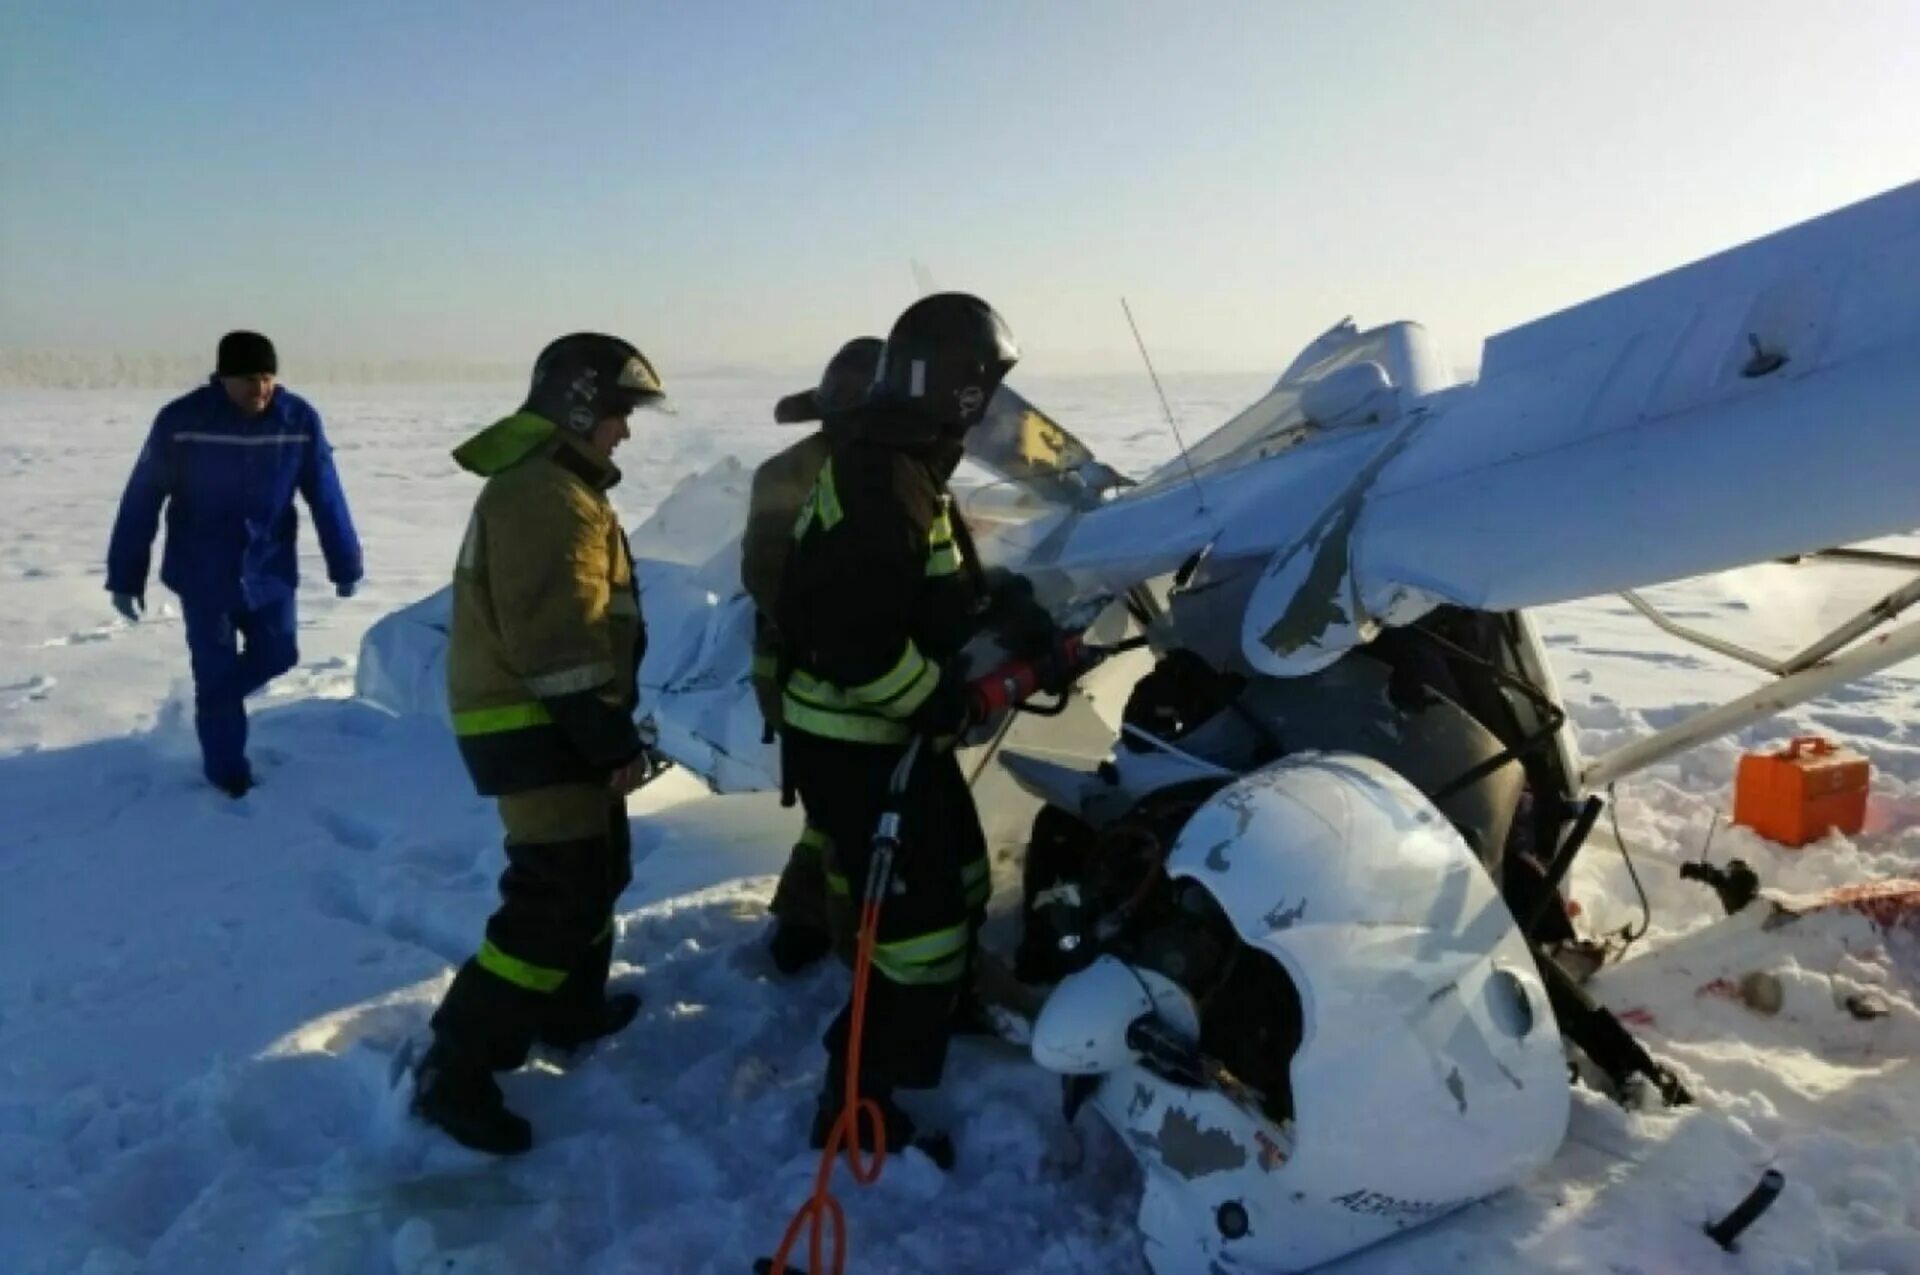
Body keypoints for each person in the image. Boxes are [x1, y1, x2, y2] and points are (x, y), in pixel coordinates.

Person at [412, 333, 666, 1155]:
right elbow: (559, 641)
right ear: (581, 407)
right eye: (619, 413)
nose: (624, 432)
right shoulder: (542, 495)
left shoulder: (564, 488)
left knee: (597, 873)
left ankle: (570, 1009)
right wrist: (604, 735)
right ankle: (455, 1067)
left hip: (563, 729)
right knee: (554, 900)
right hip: (539, 731)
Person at [776, 294, 1018, 1156]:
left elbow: (923, 586)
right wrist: (943, 701)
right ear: (946, 383)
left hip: (888, 736)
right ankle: (854, 1104)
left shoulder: (904, 464)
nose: (987, 402)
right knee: (915, 933)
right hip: (858, 741)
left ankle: (940, 1010)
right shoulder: (884, 478)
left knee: (953, 871)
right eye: (980, 382)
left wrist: (1003, 606)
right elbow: (859, 647)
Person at [105, 331, 362, 797]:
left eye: (267, 377)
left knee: (279, 655)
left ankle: (214, 703)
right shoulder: (182, 421)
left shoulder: (297, 420)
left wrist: (345, 562)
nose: (259, 389)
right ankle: (229, 777)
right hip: (203, 574)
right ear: (222, 378)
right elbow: (142, 498)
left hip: (270, 571)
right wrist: (125, 575)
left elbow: (326, 494)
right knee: (214, 670)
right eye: (247, 379)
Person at [742, 336, 884, 975]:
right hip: (810, 673)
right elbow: (769, 577)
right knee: (844, 809)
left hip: (835, 672)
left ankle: (798, 920)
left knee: (832, 810)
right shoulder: (796, 475)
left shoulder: (880, 467)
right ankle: (838, 933)